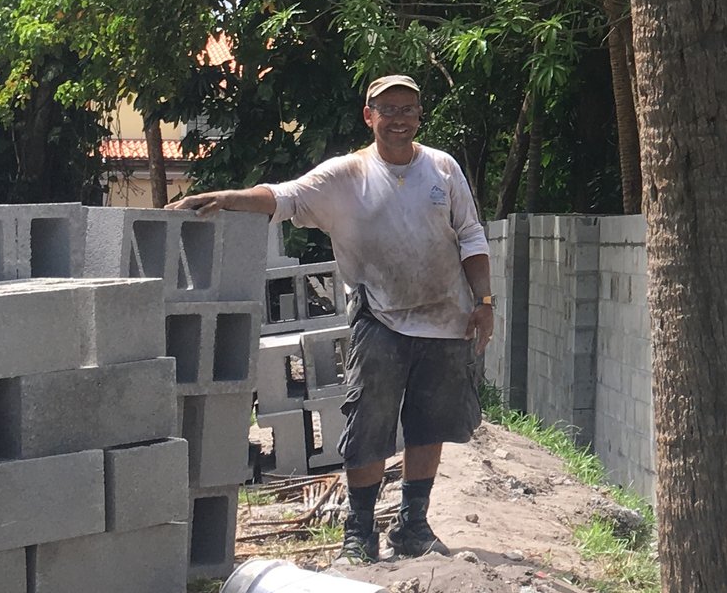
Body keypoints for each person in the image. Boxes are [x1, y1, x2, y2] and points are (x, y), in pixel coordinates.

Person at [174, 74, 491, 563]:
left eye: (409, 109)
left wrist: (484, 302)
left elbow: (470, 235)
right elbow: (284, 197)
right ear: (370, 116)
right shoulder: (347, 175)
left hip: (447, 318)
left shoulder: (442, 170)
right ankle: (359, 533)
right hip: (379, 319)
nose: (400, 120)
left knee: (429, 425)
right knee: (370, 424)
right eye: (389, 110)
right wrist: (228, 198)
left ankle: (413, 526)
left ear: (419, 116)